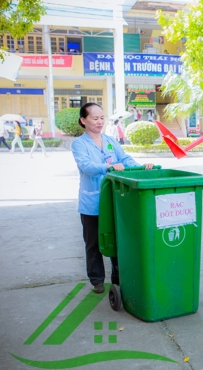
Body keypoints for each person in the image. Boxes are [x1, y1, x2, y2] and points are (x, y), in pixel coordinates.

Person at [71, 103, 154, 294]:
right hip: (91, 203)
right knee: (93, 243)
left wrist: (142, 166)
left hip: (114, 200)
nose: (100, 122)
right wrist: (107, 167)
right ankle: (97, 280)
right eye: (95, 118)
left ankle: (118, 277)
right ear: (83, 120)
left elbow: (124, 159)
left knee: (117, 241)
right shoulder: (79, 144)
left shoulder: (110, 140)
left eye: (102, 118)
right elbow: (86, 166)